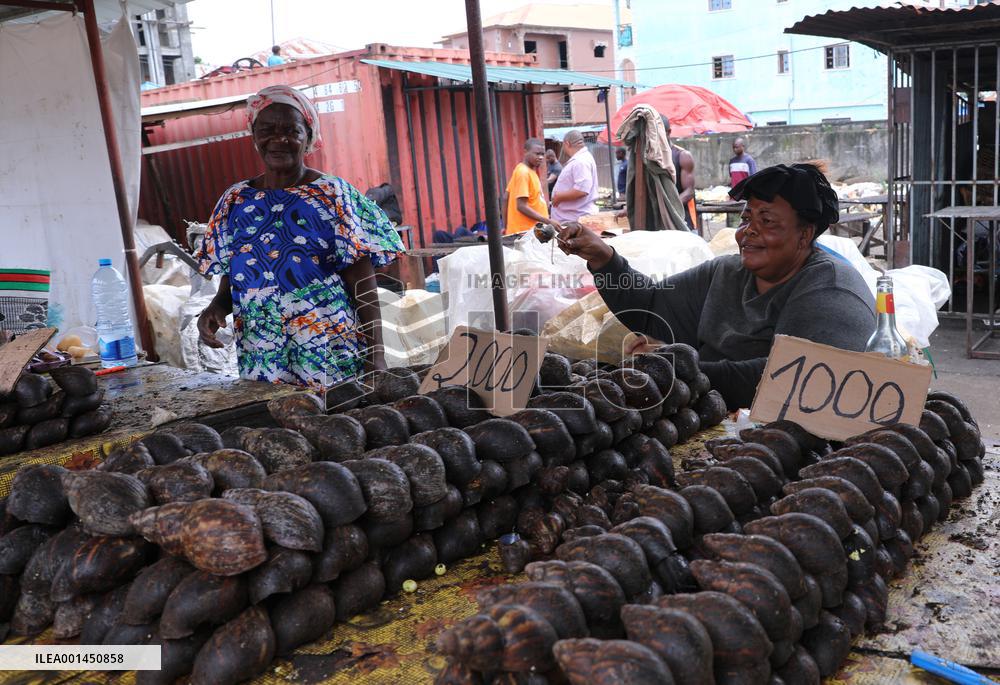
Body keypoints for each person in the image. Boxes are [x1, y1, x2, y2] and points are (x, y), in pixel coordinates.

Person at [556, 162, 875, 410]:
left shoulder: (831, 289)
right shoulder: (724, 273)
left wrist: (673, 366)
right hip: (713, 417)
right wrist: (604, 258)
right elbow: (652, 306)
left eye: (768, 222)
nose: (749, 231)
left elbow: (792, 377)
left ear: (805, 235)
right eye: (747, 218)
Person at [196, 85, 403, 389]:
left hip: (326, 348)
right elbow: (234, 271)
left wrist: (376, 354)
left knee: (339, 426)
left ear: (308, 138)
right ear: (254, 136)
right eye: (267, 129)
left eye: (291, 131)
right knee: (275, 429)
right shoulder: (234, 201)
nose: (278, 139)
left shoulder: (332, 194)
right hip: (261, 353)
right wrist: (216, 306)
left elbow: (362, 280)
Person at [503, 138, 559, 235]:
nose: (541, 157)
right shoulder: (523, 172)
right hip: (525, 233)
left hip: (531, 232)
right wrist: (548, 221)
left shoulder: (526, 170)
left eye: (542, 154)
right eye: (537, 154)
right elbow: (521, 206)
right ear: (525, 152)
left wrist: (506, 226)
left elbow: (505, 198)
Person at [551, 130, 599, 223]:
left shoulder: (580, 161)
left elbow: (582, 190)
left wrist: (559, 197)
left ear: (567, 143)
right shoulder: (581, 159)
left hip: (576, 220)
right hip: (571, 218)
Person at [664, 117, 697, 229]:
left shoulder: (682, 156)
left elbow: (689, 191)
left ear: (668, 132)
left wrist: (669, 207)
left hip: (682, 217)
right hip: (660, 218)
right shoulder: (650, 158)